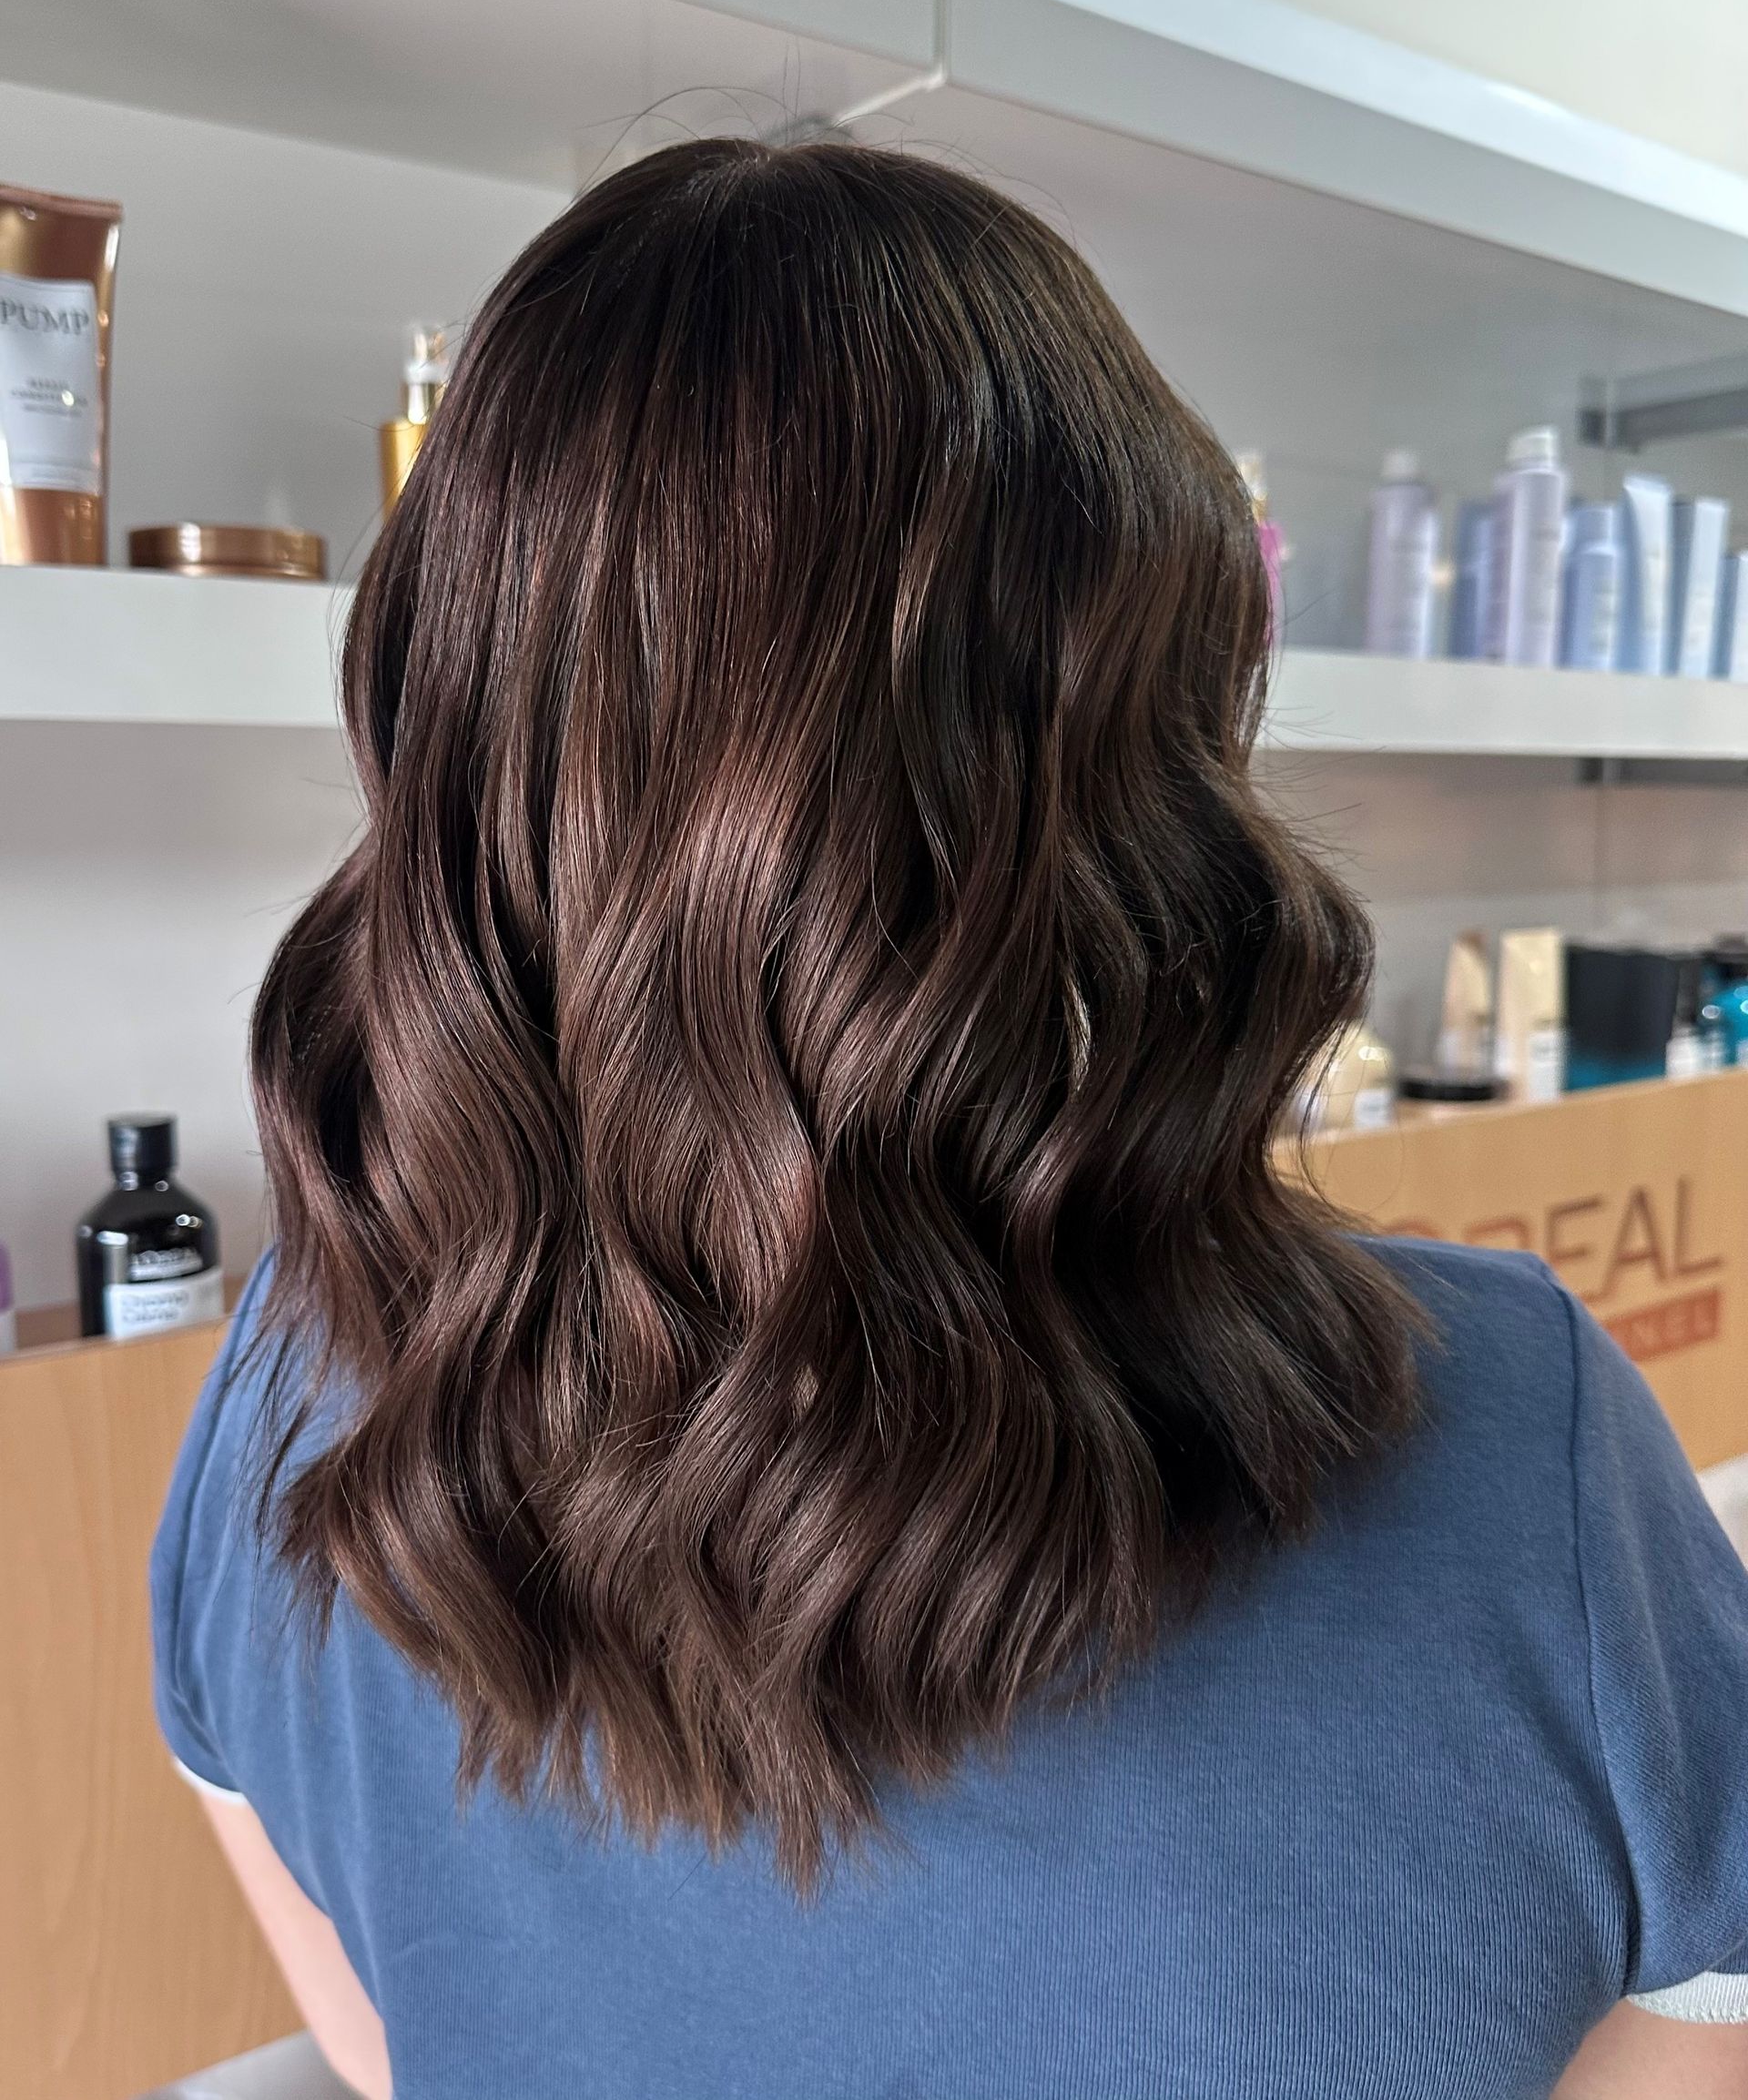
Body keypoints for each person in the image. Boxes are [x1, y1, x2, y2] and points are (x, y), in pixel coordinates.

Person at [152, 138, 1748, 2100]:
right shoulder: (1505, 1437)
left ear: (459, 728)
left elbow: (395, 2039)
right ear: (1146, 756)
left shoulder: (292, 1415)